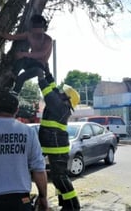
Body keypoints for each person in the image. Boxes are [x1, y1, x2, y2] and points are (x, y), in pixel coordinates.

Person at [37, 71, 81, 211]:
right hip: (53, 145)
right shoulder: (61, 104)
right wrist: (48, 73)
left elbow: (48, 92)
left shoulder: (59, 105)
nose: (61, 93)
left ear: (67, 99)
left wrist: (40, 77)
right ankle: (66, 204)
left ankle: (73, 206)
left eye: (64, 93)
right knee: (59, 177)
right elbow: (54, 89)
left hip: (56, 147)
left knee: (59, 177)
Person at [0, 14, 53, 93]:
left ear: (43, 28)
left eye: (39, 28)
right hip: (28, 62)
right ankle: (12, 77)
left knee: (21, 78)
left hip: (39, 66)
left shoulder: (48, 40)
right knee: (20, 59)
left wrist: (24, 54)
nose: (37, 31)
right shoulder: (29, 34)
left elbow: (41, 54)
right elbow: (12, 37)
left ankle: (14, 93)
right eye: (35, 27)